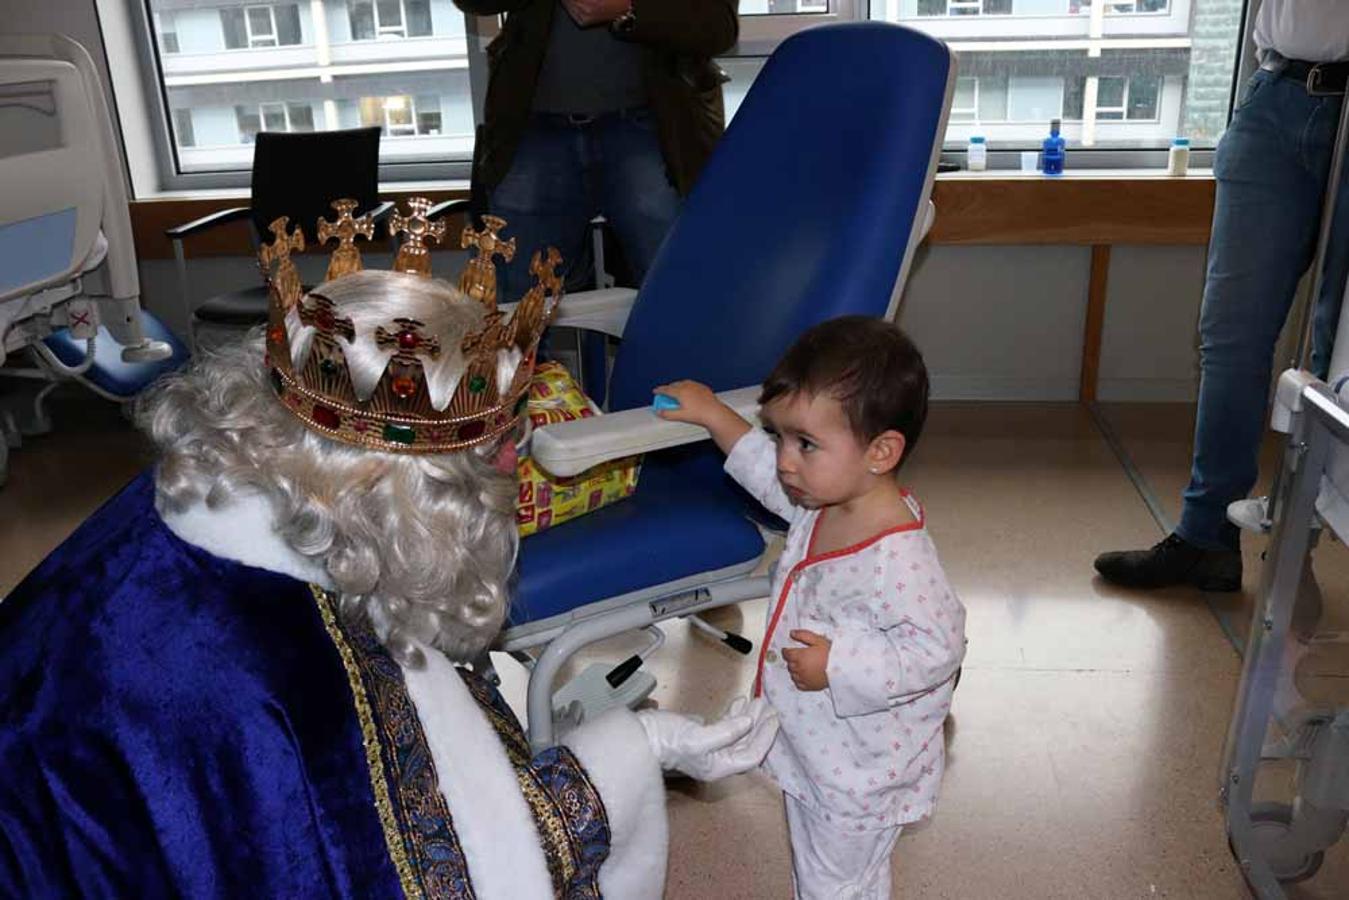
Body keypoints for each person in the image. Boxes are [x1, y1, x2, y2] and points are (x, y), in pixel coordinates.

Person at [0, 259, 777, 897]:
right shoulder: (321, 682)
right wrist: (642, 744)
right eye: (505, 446)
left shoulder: (176, 498)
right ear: (426, 492)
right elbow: (457, 876)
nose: (524, 449)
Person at [654, 316, 967, 900]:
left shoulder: (897, 556)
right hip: (822, 749)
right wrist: (713, 414)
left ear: (881, 451)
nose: (784, 462)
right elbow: (762, 476)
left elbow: (938, 650)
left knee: (833, 883)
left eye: (805, 443)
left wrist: (840, 664)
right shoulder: (823, 502)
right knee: (836, 877)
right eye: (778, 437)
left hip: (862, 771)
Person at [1095, 0, 1349, 592]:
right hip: (1280, 91)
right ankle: (1206, 538)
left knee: (1334, 346)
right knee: (1231, 337)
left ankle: (1295, 546)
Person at [451, 0, 738, 301]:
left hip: (659, 130)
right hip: (533, 126)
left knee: (682, 294)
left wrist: (629, 8)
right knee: (516, 305)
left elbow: (719, 27)